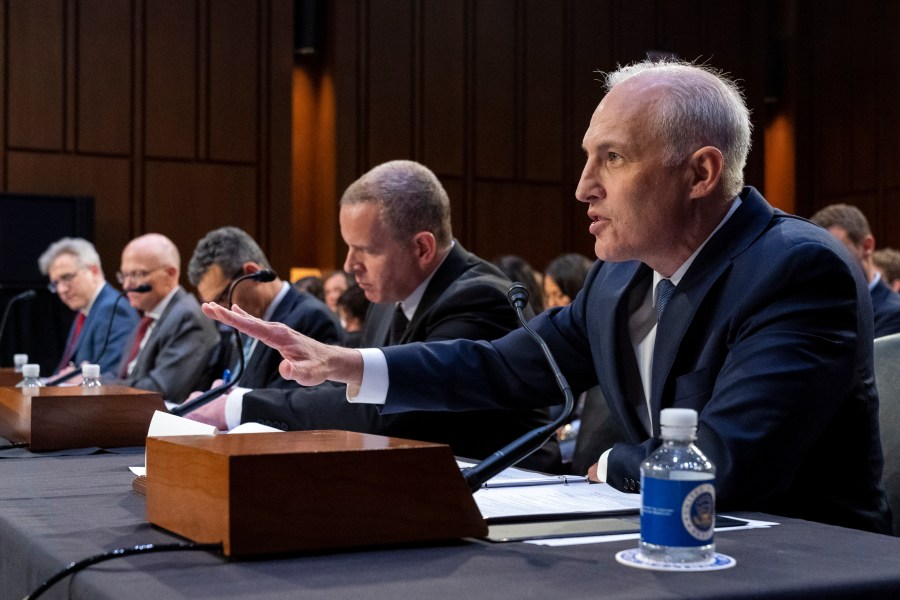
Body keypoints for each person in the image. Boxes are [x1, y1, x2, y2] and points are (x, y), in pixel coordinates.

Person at [202, 60, 892, 534]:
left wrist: (603, 466)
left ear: (701, 172)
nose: (583, 187)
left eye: (612, 159)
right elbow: (505, 366)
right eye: (587, 158)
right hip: (674, 548)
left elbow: (728, 463)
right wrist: (348, 366)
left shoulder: (797, 272)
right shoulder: (619, 278)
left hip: (798, 566)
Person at [188, 160, 559, 471]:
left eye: (364, 250)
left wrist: (241, 405)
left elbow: (392, 415)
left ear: (422, 247)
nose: (350, 266)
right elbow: (357, 394)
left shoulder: (480, 299)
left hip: (513, 496)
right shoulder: (386, 299)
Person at [187, 227, 342, 390]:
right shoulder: (249, 318)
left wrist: (229, 405)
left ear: (253, 272)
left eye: (223, 297)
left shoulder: (312, 318)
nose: (221, 310)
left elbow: (301, 401)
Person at [107, 233, 219, 402]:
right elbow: (124, 374)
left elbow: (161, 389)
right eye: (124, 275)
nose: (126, 285)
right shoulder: (149, 316)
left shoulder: (187, 317)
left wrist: (100, 384)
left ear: (170, 274)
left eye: (137, 274)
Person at [37, 237, 140, 375]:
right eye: (55, 284)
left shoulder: (113, 310)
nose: (62, 289)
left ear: (94, 271)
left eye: (67, 277)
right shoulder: (86, 310)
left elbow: (111, 375)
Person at [810, 204, 900, 338]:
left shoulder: (894, 314)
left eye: (836, 251)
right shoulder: (812, 306)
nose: (825, 263)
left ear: (866, 246)